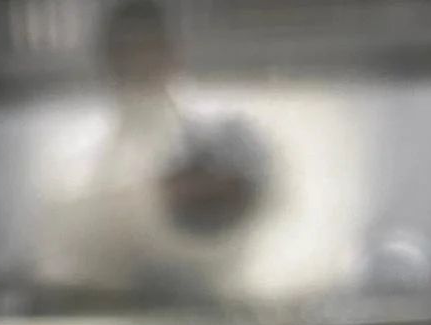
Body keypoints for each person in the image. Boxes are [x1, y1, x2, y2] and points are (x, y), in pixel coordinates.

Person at [34, 0, 270, 308]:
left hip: (211, 303)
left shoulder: (224, 132)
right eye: (127, 50)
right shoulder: (75, 153)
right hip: (109, 309)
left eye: (150, 46)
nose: (140, 60)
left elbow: (252, 219)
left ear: (172, 50)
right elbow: (65, 254)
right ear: (109, 59)